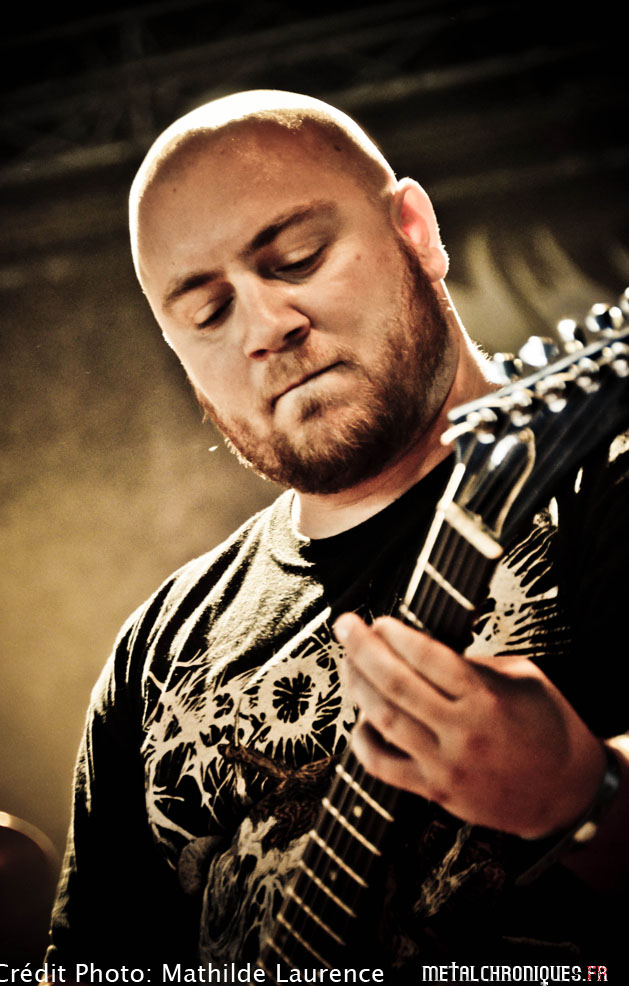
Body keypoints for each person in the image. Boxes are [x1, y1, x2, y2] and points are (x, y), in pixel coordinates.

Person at [44, 90, 628, 980]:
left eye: (296, 259)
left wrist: (582, 796)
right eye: (207, 314)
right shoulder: (155, 655)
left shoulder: (607, 489)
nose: (265, 328)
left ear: (414, 231)